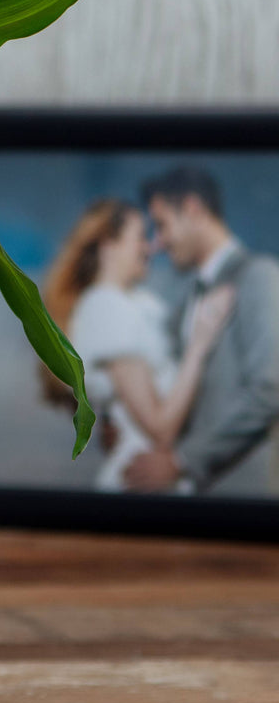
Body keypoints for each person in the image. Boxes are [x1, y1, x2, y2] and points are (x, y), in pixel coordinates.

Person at [40, 198, 233, 493]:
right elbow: (161, 429)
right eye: (141, 237)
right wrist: (200, 344)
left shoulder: (130, 307)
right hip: (137, 486)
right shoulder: (108, 308)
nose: (151, 247)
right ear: (109, 245)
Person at [124, 166, 279, 495]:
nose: (159, 242)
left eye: (162, 225)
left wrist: (183, 461)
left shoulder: (259, 276)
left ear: (193, 209)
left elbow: (271, 388)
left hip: (245, 502)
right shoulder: (186, 300)